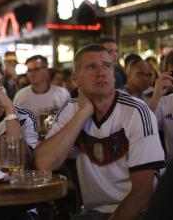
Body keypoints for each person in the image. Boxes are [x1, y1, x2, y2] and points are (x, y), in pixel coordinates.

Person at [35, 44, 165, 220]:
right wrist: (83, 113)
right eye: (91, 67)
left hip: (139, 212)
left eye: (106, 66)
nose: (101, 73)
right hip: (92, 213)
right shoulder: (71, 110)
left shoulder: (136, 111)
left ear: (113, 74)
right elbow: (44, 163)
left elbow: (143, 193)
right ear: (76, 77)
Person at [13, 55, 70, 130]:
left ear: (47, 71)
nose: (32, 73)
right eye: (29, 70)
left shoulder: (63, 94)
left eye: (36, 69)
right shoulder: (20, 96)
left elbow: (70, 122)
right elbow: (14, 123)